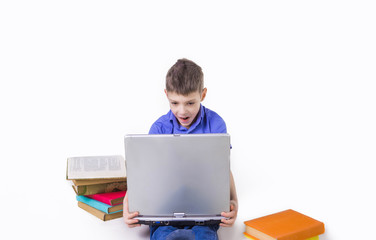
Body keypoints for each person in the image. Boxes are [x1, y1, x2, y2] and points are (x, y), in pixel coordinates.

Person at [123, 58, 238, 240]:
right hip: (165, 210)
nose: (182, 111)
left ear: (203, 94)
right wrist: (127, 203)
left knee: (205, 235)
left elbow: (223, 169)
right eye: (174, 103)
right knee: (163, 235)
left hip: (204, 208)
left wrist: (234, 201)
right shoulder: (159, 128)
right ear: (166, 94)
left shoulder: (216, 124)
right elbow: (144, 173)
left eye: (190, 103)